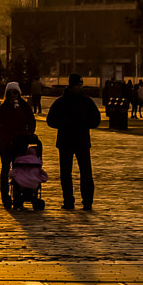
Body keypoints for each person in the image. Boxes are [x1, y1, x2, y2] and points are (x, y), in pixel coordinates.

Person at [45, 72, 100, 211]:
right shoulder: (85, 101)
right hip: (76, 140)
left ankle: (75, 201)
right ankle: (80, 202)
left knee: (73, 173)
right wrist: (81, 124)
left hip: (68, 140)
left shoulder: (63, 101)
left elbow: (51, 120)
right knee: (80, 172)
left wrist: (65, 124)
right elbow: (50, 120)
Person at [0, 80, 37, 210]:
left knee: (20, 168)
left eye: (16, 93)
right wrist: (3, 137)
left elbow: (31, 121)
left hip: (21, 142)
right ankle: (5, 197)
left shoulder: (24, 107)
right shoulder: (2, 108)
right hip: (6, 144)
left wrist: (29, 134)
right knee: (5, 168)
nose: (13, 95)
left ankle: (19, 196)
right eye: (11, 93)